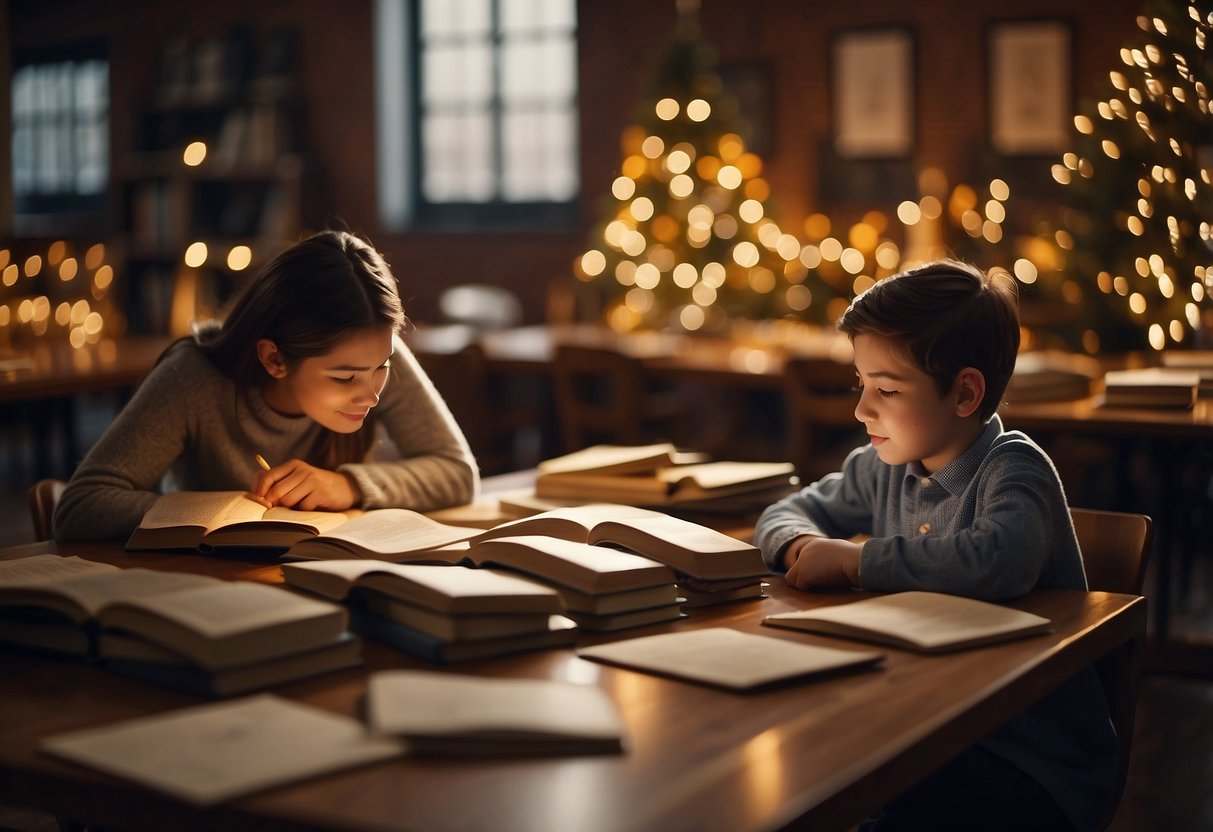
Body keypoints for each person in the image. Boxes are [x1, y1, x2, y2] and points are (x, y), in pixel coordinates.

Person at [755, 260, 1116, 832]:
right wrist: (797, 544)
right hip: (929, 729)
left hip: (1027, 761)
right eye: (861, 384)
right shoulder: (881, 466)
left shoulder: (1014, 468)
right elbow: (785, 510)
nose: (861, 409)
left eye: (887, 389)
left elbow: (1000, 559)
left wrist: (856, 560)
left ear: (965, 393)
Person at [54, 229, 478, 541]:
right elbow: (81, 506)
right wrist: (219, 514)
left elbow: (457, 472)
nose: (372, 395)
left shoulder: (370, 353)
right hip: (204, 589)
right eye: (344, 378)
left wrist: (348, 485)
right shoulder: (194, 377)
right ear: (274, 359)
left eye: (381, 367)